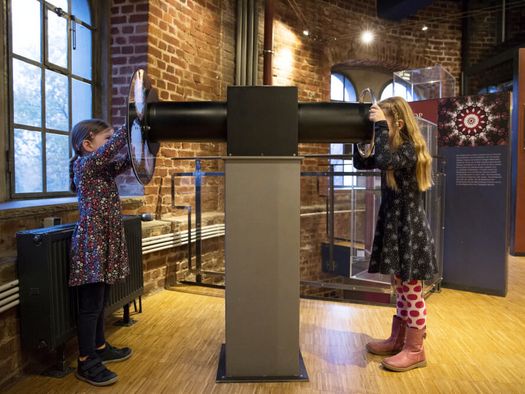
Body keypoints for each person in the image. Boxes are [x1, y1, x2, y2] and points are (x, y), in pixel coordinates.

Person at [353, 97, 437, 372]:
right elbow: (363, 164)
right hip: (395, 226)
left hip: (408, 229)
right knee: (400, 286)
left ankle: (415, 349)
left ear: (398, 124)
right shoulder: (396, 151)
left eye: (383, 122)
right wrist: (359, 136)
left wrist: (377, 128)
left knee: (411, 290)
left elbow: (384, 159)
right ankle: (398, 339)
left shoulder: (410, 150)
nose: (379, 127)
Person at [69, 119, 133, 386]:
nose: (110, 146)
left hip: (104, 241)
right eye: (105, 139)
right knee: (90, 306)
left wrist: (149, 139)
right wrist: (133, 124)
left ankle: (100, 347)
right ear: (87, 144)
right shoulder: (85, 165)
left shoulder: (101, 169)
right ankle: (86, 361)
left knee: (101, 300)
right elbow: (113, 149)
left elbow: (130, 160)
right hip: (91, 245)